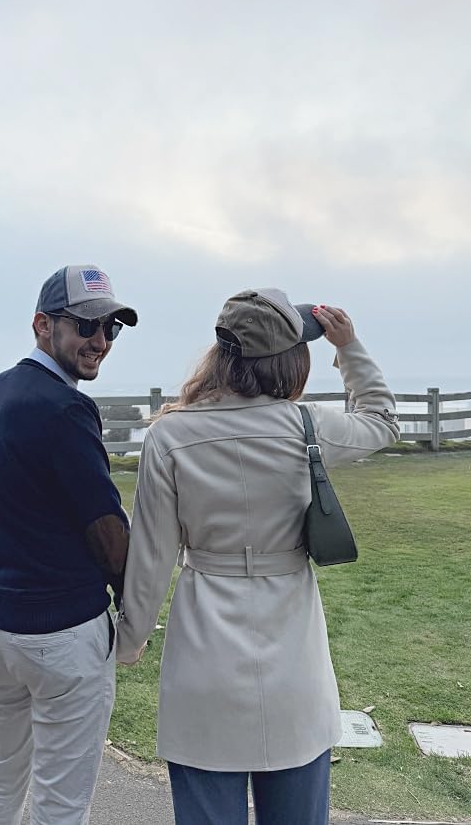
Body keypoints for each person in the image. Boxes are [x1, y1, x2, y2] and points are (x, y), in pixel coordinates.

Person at [116, 288, 399, 825]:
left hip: (204, 650)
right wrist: (350, 346)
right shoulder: (306, 427)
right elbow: (382, 420)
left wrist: (129, 642)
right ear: (292, 358)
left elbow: (151, 556)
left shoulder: (170, 435)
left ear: (222, 354)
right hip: (293, 650)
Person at [0, 264, 137, 825]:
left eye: (111, 329)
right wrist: (135, 613)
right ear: (43, 325)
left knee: (3, 776)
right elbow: (107, 529)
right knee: (60, 803)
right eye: (86, 327)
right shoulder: (67, 407)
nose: (100, 342)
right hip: (63, 633)